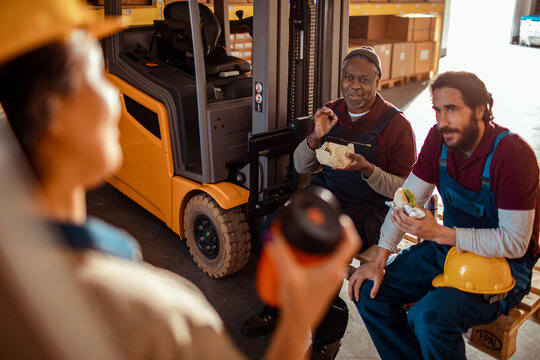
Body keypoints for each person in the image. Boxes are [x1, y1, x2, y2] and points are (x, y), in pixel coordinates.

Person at [0, 1, 360, 359]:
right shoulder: (158, 314)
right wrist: (300, 315)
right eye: (96, 74)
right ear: (54, 108)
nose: (112, 94)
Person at [348, 71, 540, 360]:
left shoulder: (513, 156)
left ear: (481, 109)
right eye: (437, 110)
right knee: (369, 293)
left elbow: (515, 244)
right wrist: (379, 259)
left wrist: (440, 233)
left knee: (429, 319)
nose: (442, 121)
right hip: (450, 248)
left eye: (452, 109)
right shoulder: (439, 141)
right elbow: (407, 198)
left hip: (506, 265)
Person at [243, 46, 417, 359]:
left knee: (320, 251)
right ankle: (277, 306)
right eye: (348, 78)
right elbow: (300, 166)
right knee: (275, 226)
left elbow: (404, 191)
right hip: (326, 193)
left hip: (368, 208)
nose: (354, 86)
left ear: (379, 80)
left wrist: (367, 169)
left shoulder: (397, 126)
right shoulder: (331, 111)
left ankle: (327, 334)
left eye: (364, 79)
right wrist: (314, 139)